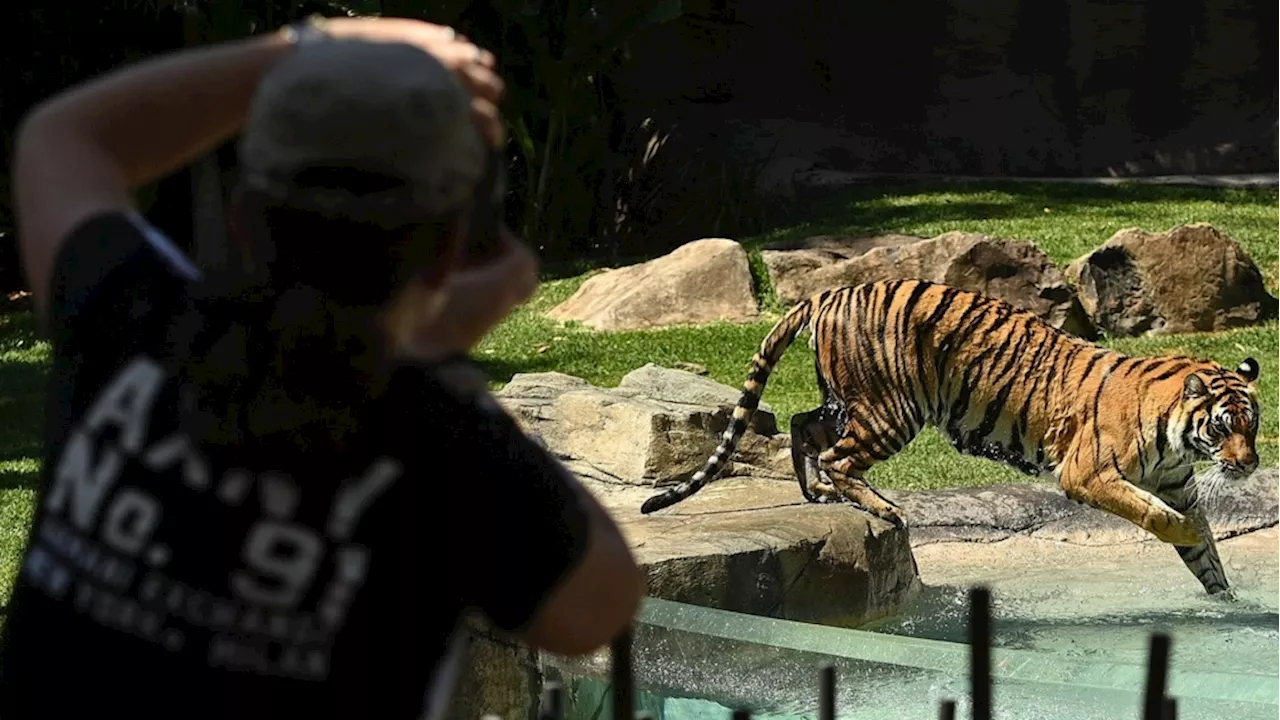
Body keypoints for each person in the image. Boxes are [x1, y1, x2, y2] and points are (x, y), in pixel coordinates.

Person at [0, 14, 645, 720]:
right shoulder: (442, 453)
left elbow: (60, 137)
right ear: (446, 251)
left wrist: (304, 48)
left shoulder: (128, 321)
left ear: (244, 215)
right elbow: (602, 602)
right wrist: (429, 354)